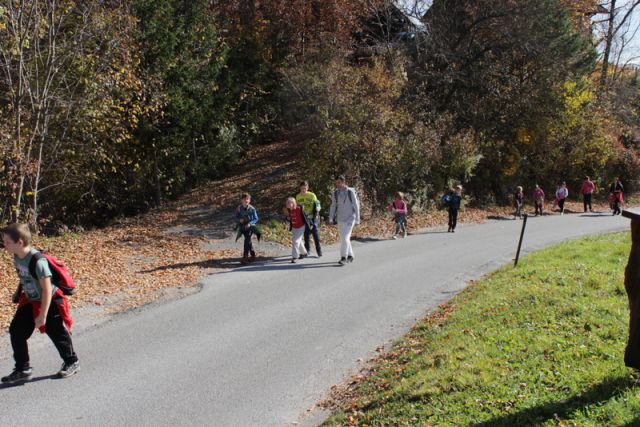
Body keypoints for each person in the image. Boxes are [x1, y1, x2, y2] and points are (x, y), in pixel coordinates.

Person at [1, 223, 79, 384]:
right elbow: (25, 277)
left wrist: (42, 315)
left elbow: (47, 289)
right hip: (31, 299)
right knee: (16, 331)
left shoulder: (38, 262)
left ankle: (72, 361)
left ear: (20, 242)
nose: (4, 244)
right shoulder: (17, 256)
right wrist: (18, 292)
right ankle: (23, 369)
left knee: (56, 332)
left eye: (7, 242)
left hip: (49, 300)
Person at [329, 175, 360, 265]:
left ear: (343, 182)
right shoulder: (335, 193)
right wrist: (331, 218)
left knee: (345, 238)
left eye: (339, 182)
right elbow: (333, 205)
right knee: (343, 238)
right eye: (336, 183)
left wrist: (357, 219)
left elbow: (356, 205)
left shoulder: (351, 192)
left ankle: (343, 257)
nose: (337, 185)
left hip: (350, 218)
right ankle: (351, 255)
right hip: (340, 218)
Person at [295, 181, 322, 257]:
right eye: (302, 188)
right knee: (306, 235)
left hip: (313, 217)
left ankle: (319, 251)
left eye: (305, 188)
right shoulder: (298, 196)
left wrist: (318, 208)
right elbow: (297, 207)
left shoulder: (312, 195)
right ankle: (307, 250)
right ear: (300, 188)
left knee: (315, 234)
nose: (303, 190)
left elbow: (318, 204)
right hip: (304, 218)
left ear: (307, 188)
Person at [235, 193, 260, 264]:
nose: (246, 200)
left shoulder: (252, 209)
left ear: (249, 200)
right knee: (248, 240)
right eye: (244, 199)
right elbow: (236, 217)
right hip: (243, 226)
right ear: (241, 200)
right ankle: (252, 254)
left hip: (251, 227)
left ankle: (245, 256)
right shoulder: (239, 208)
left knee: (247, 239)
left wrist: (250, 223)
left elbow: (256, 218)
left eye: (247, 199)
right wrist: (239, 220)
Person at [286, 198, 309, 263]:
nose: (287, 204)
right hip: (294, 228)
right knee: (299, 241)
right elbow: (290, 218)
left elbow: (305, 216)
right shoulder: (289, 210)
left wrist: (311, 224)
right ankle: (304, 253)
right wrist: (288, 218)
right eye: (286, 203)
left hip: (301, 227)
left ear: (293, 203)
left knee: (295, 241)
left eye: (288, 203)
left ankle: (295, 257)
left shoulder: (299, 208)